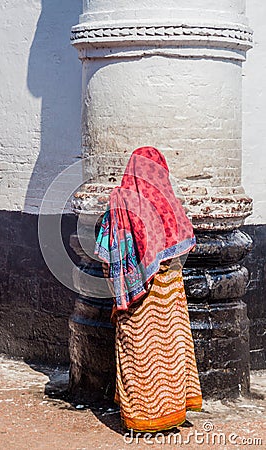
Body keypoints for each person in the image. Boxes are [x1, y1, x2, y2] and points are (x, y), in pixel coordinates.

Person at [94, 146, 202, 432]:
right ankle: (173, 412)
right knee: (171, 350)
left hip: (136, 301)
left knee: (139, 353)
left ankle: (141, 417)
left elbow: (107, 254)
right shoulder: (171, 206)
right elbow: (182, 247)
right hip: (170, 296)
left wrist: (121, 284)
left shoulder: (119, 205)